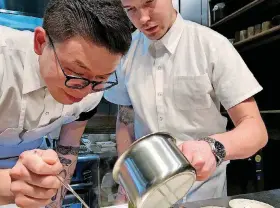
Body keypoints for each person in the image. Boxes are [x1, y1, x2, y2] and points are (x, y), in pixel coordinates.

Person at [104, 0, 268, 203]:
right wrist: (126, 180)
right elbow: (125, 122)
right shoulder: (126, 55)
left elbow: (256, 130)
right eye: (131, 10)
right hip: (149, 195)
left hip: (205, 194)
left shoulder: (212, 45)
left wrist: (213, 147)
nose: (143, 18)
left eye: (149, 3)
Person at [0, 0, 131, 207]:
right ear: (41, 42)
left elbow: (69, 145)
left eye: (101, 79)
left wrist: (54, 202)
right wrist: (10, 185)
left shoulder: (92, 89)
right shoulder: (4, 62)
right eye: (76, 74)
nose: (87, 91)